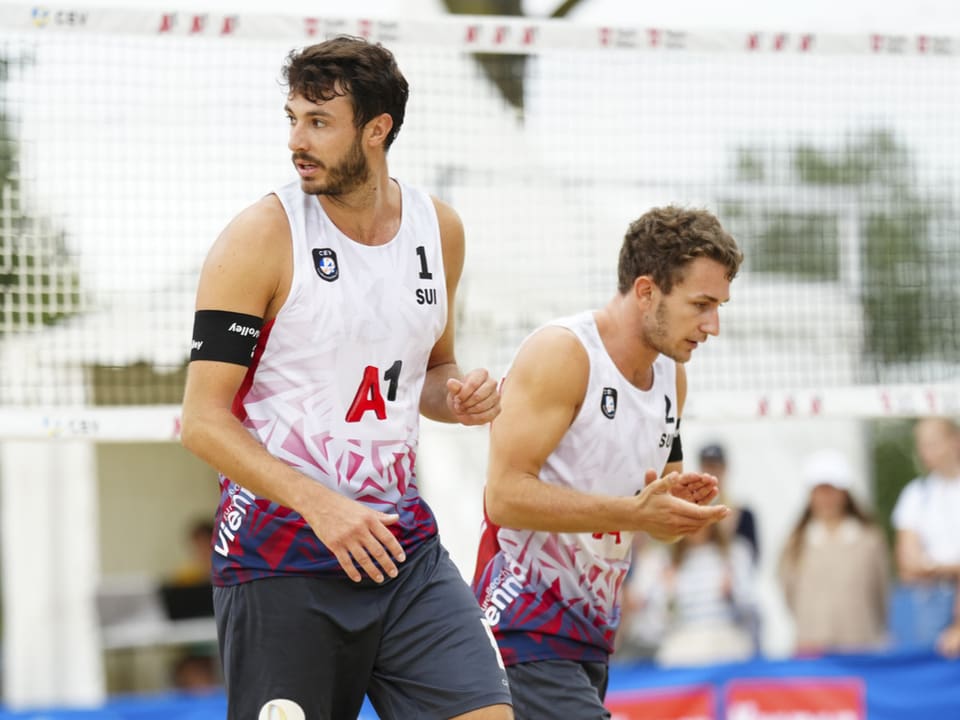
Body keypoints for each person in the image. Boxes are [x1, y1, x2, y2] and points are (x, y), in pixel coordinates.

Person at [180, 37, 512, 720]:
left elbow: (432, 369)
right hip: (281, 554)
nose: (298, 140)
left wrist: (457, 394)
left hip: (400, 548)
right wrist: (321, 505)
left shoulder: (438, 229)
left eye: (319, 122)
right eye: (293, 118)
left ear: (377, 129)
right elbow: (203, 421)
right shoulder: (260, 237)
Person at [472, 206, 743, 718]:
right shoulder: (564, 353)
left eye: (719, 305)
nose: (714, 325)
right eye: (701, 304)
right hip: (520, 621)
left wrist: (678, 511)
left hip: (591, 631)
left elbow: (653, 514)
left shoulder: (671, 378)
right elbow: (504, 497)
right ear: (646, 291)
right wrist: (634, 514)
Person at [778, 449, 889, 655]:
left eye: (832, 490)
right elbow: (788, 593)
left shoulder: (869, 540)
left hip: (860, 646)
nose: (826, 497)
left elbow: (880, 593)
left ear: (844, 493)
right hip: (812, 651)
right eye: (820, 490)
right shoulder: (796, 543)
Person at [890, 417, 960, 656]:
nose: (924, 452)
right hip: (926, 603)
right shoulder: (915, 494)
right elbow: (908, 567)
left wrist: (933, 567)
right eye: (921, 445)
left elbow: (921, 565)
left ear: (954, 442)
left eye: (932, 443)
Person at [654, 521, 757, 667]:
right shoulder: (669, 562)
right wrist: (669, 596)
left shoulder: (735, 552)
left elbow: (751, 610)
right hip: (685, 645)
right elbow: (657, 623)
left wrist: (732, 592)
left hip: (724, 642)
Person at [698, 443, 759, 563]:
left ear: (725, 469)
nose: (712, 473)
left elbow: (753, 557)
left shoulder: (744, 515)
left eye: (716, 467)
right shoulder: (691, 511)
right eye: (707, 467)